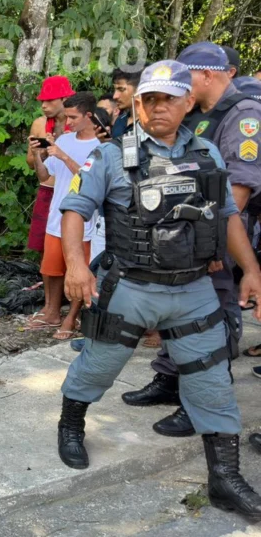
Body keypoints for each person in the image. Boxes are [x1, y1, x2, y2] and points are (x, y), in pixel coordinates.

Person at [55, 61, 261, 520]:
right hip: (131, 287)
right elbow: (74, 209)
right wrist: (75, 266)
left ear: (189, 102)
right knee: (98, 366)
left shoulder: (207, 152)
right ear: (140, 104)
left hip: (194, 288)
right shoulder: (110, 156)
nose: (158, 107)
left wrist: (250, 269)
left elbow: (228, 216)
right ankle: (70, 425)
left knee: (212, 381)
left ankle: (224, 478)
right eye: (149, 99)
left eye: (169, 98)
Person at [123, 42, 261, 438]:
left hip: (218, 234)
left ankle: (200, 401)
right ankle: (170, 379)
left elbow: (236, 193)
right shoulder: (203, 116)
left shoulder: (244, 115)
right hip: (183, 232)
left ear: (204, 75)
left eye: (183, 78)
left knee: (213, 312)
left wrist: (213, 247)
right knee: (176, 304)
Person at [28, 92, 100, 339]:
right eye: (67, 117)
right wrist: (39, 153)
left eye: (73, 117)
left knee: (80, 272)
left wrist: (64, 156)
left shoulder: (102, 146)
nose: (67, 123)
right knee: (51, 270)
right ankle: (52, 312)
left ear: (88, 116)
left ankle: (72, 317)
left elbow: (92, 181)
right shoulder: (65, 141)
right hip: (56, 218)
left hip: (84, 222)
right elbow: (44, 176)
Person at [26, 76, 75, 256]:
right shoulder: (39, 124)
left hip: (72, 189)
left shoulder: (78, 123)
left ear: (64, 99)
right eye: (42, 101)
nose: (44, 105)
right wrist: (42, 152)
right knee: (44, 244)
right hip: (48, 187)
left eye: (49, 100)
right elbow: (30, 163)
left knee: (74, 241)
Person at [109, 67, 143, 140]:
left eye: (121, 89)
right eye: (115, 90)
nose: (115, 96)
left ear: (139, 89)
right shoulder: (120, 120)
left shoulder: (152, 124)